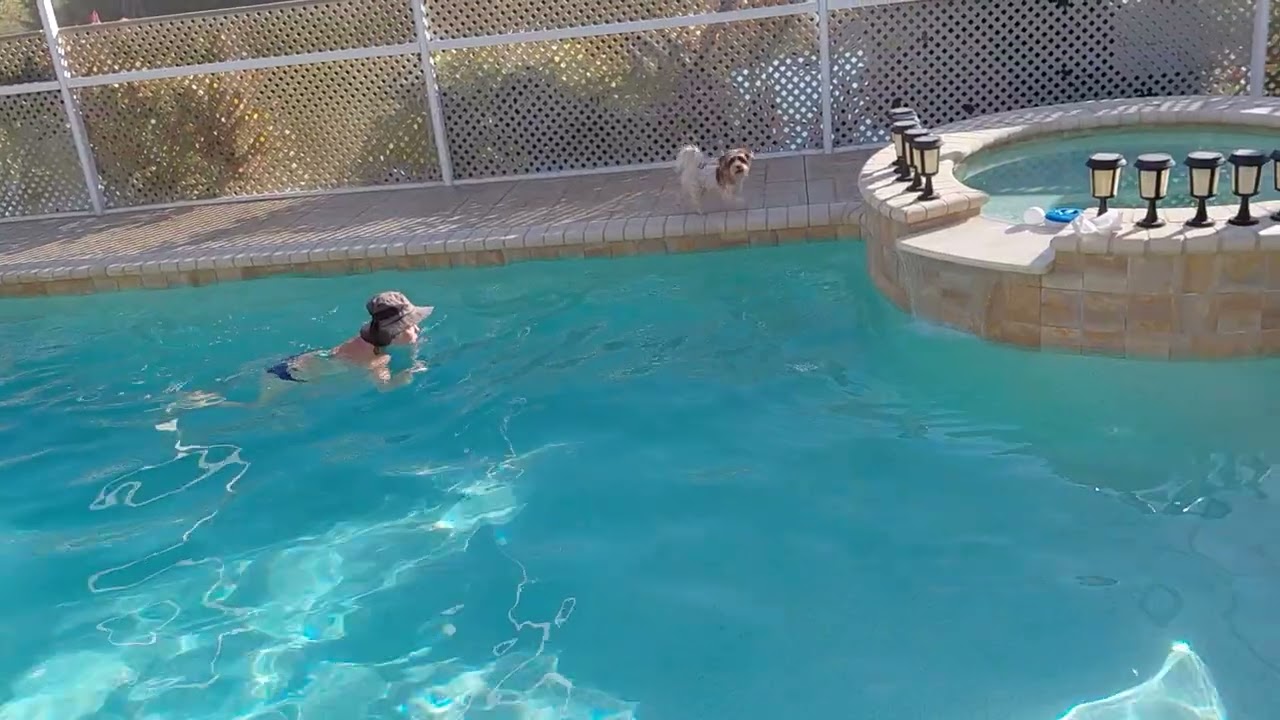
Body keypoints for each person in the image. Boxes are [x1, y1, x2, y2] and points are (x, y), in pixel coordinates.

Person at [175, 291, 433, 410]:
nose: (417, 331)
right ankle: (204, 402)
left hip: (296, 365)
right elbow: (385, 387)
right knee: (257, 409)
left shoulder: (369, 341)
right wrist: (411, 371)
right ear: (393, 332)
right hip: (286, 376)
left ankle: (209, 395)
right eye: (411, 327)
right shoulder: (377, 359)